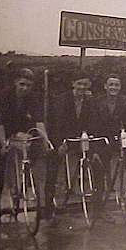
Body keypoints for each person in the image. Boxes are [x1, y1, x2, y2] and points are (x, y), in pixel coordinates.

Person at [0, 68, 51, 224]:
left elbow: (38, 121)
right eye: (22, 84)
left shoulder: (32, 98)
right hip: (3, 131)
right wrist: (3, 143)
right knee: (0, 168)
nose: (25, 88)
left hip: (23, 132)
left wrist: (46, 140)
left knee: (34, 153)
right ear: (15, 82)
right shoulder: (4, 96)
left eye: (29, 85)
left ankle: (26, 186)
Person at [44, 76, 95, 219]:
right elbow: (55, 122)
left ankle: (65, 201)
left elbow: (91, 120)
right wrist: (59, 143)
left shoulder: (89, 101)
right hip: (60, 139)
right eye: (79, 83)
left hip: (77, 140)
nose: (82, 87)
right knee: (53, 173)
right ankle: (48, 206)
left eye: (85, 84)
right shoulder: (62, 100)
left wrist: (87, 134)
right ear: (73, 83)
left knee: (75, 170)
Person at [94, 74, 126, 221]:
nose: (114, 88)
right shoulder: (97, 102)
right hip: (102, 140)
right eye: (111, 84)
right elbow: (92, 123)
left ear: (120, 87)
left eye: (117, 85)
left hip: (120, 139)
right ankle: (99, 209)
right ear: (105, 86)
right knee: (100, 172)